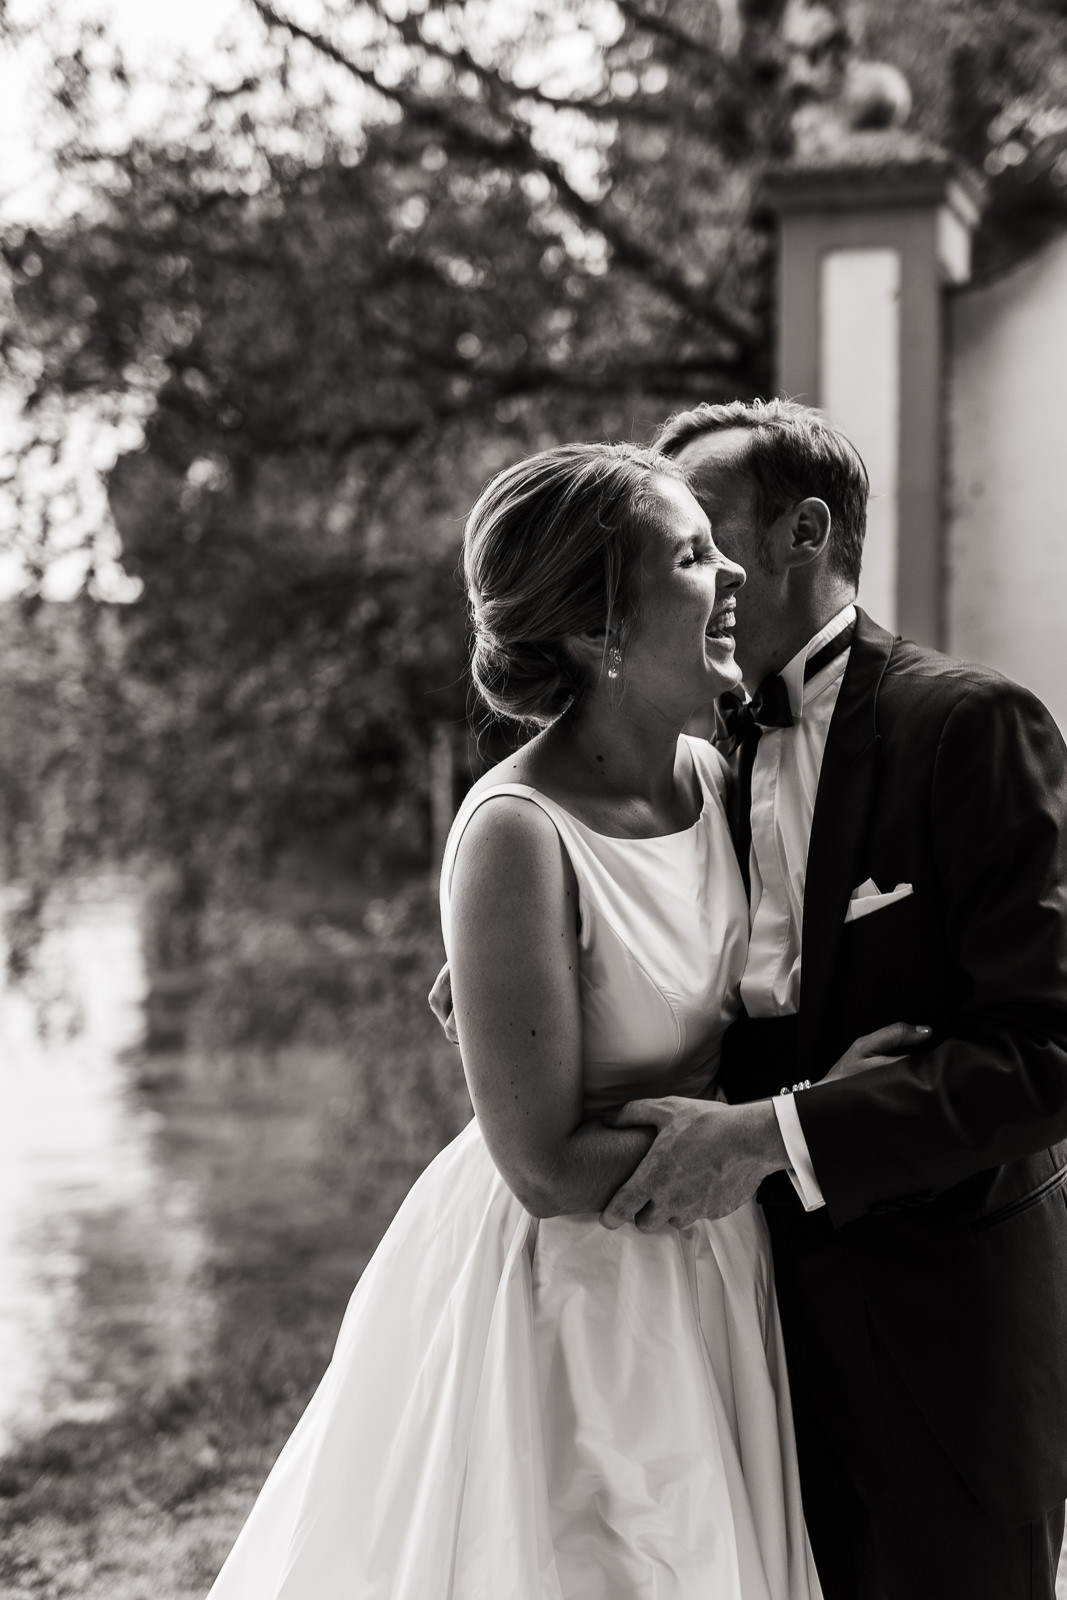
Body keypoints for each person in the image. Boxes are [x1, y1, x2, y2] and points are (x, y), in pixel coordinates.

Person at [205, 439, 910, 1600]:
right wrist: (786, 1137)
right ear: (599, 632)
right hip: (573, 1292)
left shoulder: (719, 777)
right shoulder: (515, 835)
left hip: (716, 1267)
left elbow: (755, 994)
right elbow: (541, 1164)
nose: (731, 571)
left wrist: (845, 1084)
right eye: (690, 555)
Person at [588, 399, 1067, 1600]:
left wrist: (775, 1132)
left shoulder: (968, 726)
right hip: (742, 1327)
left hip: (944, 1328)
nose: (675, 572)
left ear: (803, 531)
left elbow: (1046, 1052)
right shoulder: (692, 768)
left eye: (698, 535)